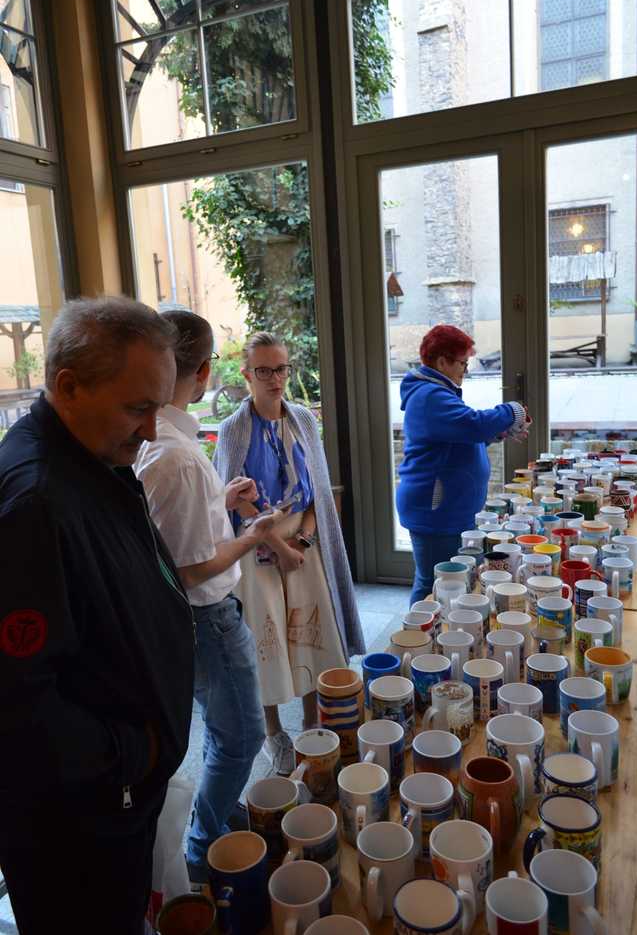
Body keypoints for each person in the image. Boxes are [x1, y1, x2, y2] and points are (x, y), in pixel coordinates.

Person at [0, 298, 195, 935]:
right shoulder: (36, 503)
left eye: (159, 408)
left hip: (118, 794)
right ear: (67, 386)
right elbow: (21, 705)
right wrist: (133, 755)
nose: (151, 431)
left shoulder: (91, 459)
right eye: (138, 408)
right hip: (80, 820)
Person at [135, 310, 278, 888]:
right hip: (208, 618)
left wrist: (221, 496)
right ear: (203, 370)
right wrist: (252, 536)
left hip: (191, 620)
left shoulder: (162, 445)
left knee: (227, 729)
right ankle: (206, 844)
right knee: (242, 735)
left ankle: (221, 820)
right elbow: (190, 568)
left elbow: (170, 530)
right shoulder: (178, 457)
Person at [215, 332, 365, 776]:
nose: (274, 378)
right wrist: (277, 546)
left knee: (310, 630)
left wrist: (301, 542)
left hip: (303, 539)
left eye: (281, 368)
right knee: (269, 636)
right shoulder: (233, 429)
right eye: (263, 370)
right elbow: (235, 500)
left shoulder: (302, 419)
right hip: (258, 541)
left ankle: (315, 722)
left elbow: (318, 486)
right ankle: (275, 734)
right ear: (246, 376)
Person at [396, 324, 530, 606]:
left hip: (444, 507)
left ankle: (430, 637)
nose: (464, 371)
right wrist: (512, 410)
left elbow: (459, 437)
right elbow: (471, 425)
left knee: (442, 580)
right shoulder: (430, 396)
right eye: (462, 363)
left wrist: (498, 432)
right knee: (436, 583)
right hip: (436, 509)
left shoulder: (436, 392)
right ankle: (418, 640)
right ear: (442, 361)